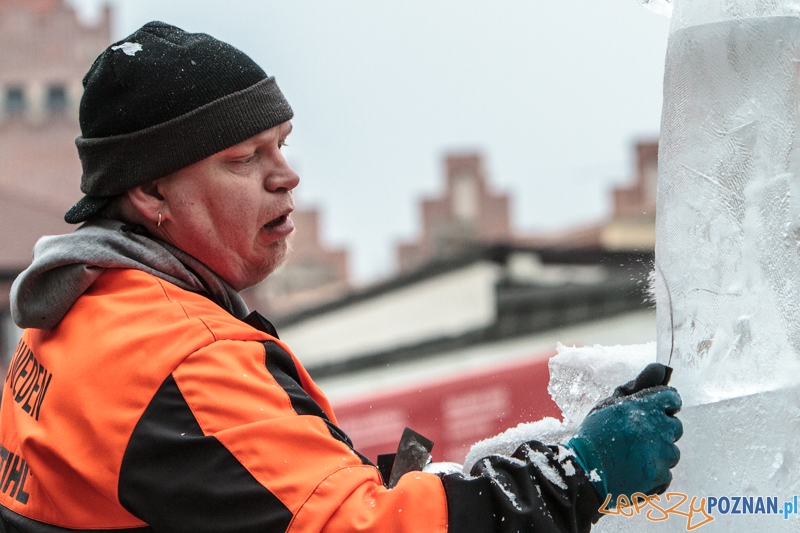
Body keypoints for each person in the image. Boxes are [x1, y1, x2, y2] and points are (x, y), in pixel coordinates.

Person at [0, 21, 682, 533]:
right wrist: (577, 474)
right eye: (243, 157)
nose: (285, 174)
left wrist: (520, 462)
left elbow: (257, 494)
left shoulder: (81, 312)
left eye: (282, 145)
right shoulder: (179, 356)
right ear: (149, 193)